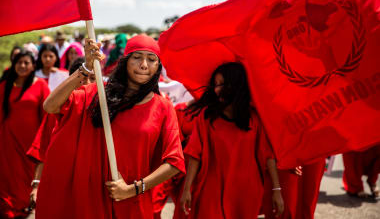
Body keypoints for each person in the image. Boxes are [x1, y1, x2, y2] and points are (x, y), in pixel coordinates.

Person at [36, 34, 185, 218]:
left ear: (158, 66)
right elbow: (50, 106)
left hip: (133, 203)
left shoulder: (163, 107)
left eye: (151, 59)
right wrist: (85, 68)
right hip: (89, 200)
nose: (144, 65)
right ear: (125, 61)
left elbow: (174, 162)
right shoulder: (96, 94)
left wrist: (133, 189)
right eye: (137, 57)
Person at [179, 62, 284, 218]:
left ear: (237, 85)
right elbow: (195, 154)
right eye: (215, 85)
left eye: (222, 84)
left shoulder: (254, 119)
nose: (217, 90)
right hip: (211, 190)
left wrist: (277, 191)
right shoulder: (207, 118)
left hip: (246, 193)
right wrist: (187, 189)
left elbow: (268, 156)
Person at [27, 57, 96, 208]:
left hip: (91, 186)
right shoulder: (56, 109)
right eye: (83, 77)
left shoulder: (104, 112)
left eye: (93, 78)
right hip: (58, 180)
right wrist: (37, 185)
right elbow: (42, 147)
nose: (87, 83)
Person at [0, 50, 50, 218]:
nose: (22, 66)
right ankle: (9, 210)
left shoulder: (41, 85)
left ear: (33, 66)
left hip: (30, 144)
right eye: (19, 62)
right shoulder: (4, 86)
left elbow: (48, 115)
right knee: (7, 177)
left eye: (26, 63)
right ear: (14, 65)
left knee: (26, 180)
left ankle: (24, 207)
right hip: (7, 143)